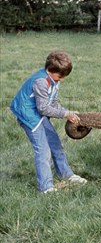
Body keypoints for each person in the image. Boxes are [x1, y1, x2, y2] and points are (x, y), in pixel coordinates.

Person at [10, 51, 88, 193]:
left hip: (38, 112)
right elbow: (44, 109)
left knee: (55, 143)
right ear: (50, 70)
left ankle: (66, 174)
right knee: (43, 151)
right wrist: (65, 114)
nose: (62, 79)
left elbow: (53, 103)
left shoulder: (54, 80)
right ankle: (46, 187)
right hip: (28, 115)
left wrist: (68, 112)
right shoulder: (41, 82)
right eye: (60, 76)